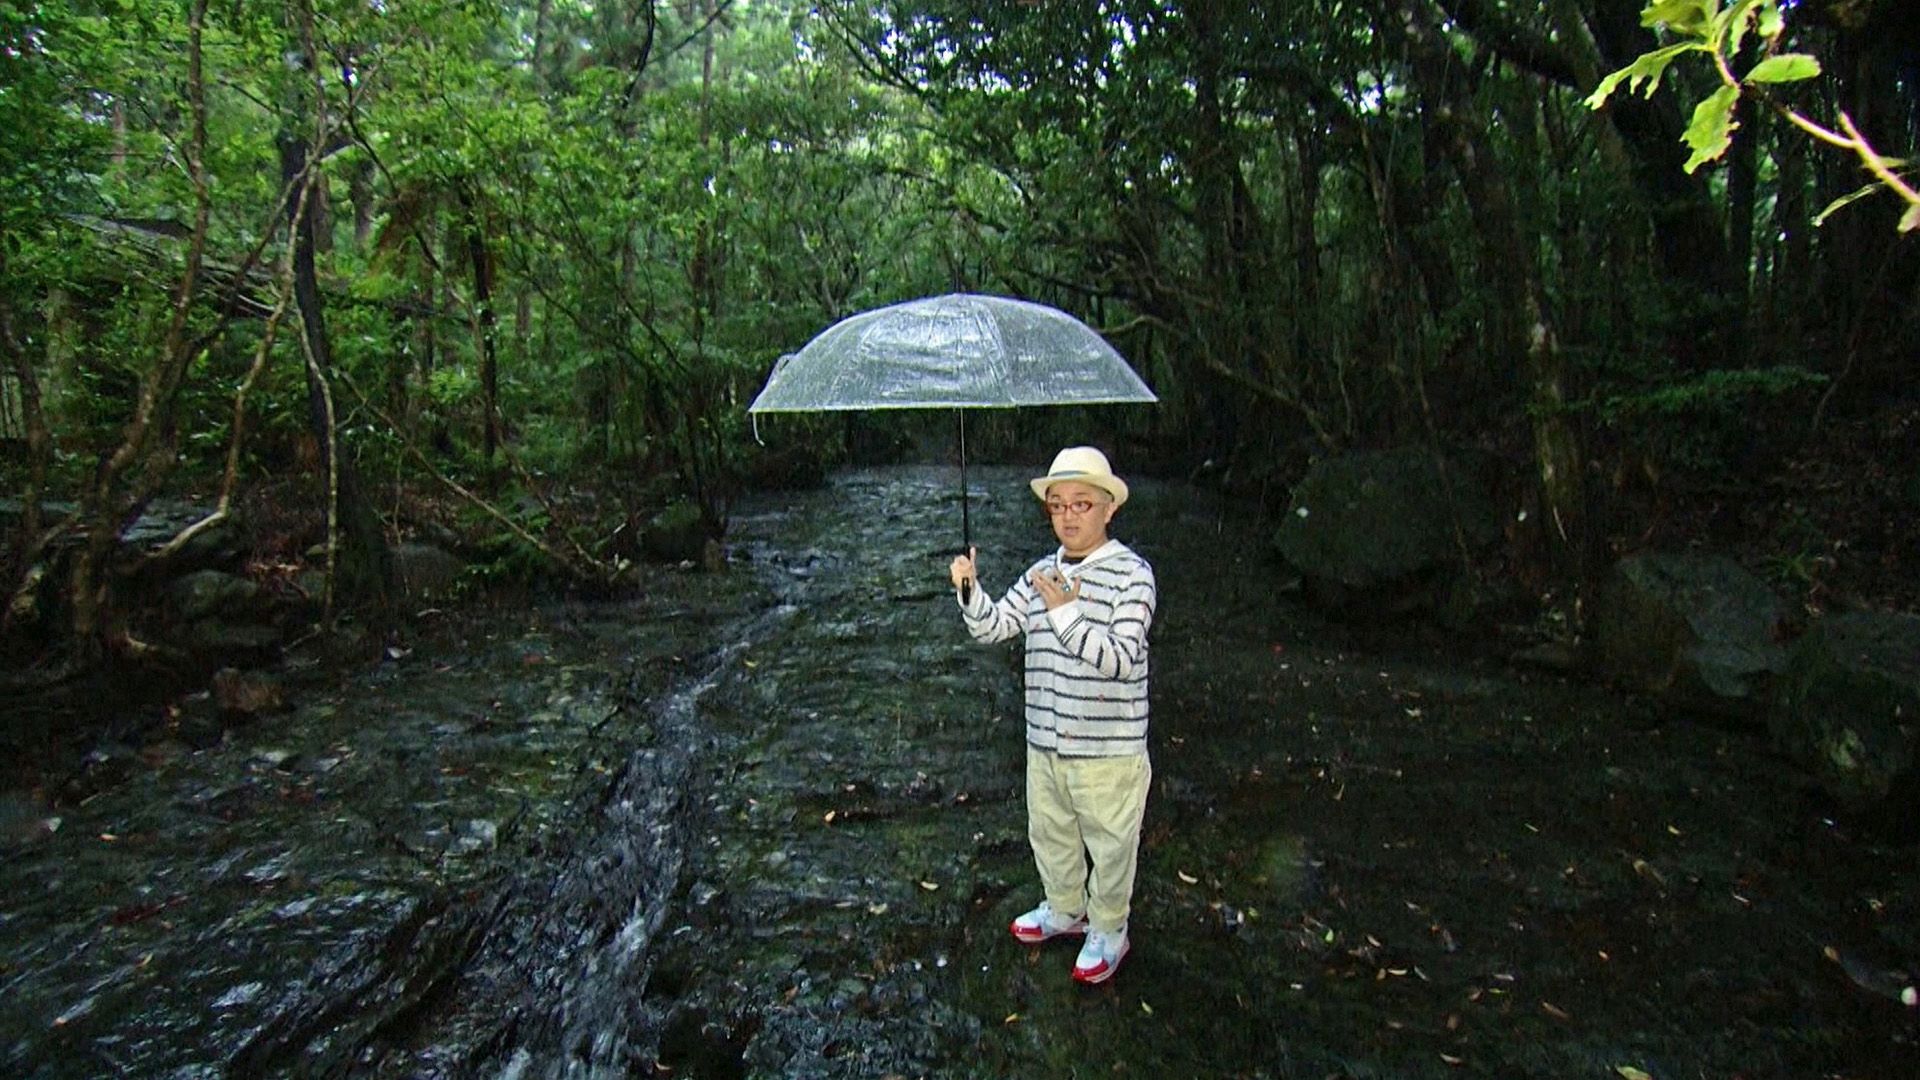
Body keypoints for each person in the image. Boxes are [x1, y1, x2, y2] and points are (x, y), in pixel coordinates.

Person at [948, 446, 1157, 984]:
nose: (1068, 515)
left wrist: (1066, 613)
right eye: (1057, 505)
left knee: (1111, 847)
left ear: (1109, 507)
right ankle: (1065, 909)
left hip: (1109, 751)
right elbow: (995, 626)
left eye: (1081, 503)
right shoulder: (1041, 571)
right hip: (1045, 740)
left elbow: (1120, 659)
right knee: (1051, 833)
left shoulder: (1133, 575)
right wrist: (970, 590)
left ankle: (1109, 928)